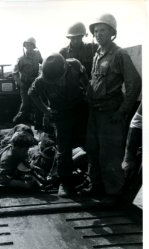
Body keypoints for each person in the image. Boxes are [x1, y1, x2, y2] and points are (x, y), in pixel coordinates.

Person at [83, 13, 141, 197]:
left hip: (110, 113)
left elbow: (134, 84)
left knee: (110, 154)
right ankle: (96, 187)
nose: (98, 34)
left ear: (112, 33)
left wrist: (122, 111)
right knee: (93, 150)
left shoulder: (119, 54)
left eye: (103, 30)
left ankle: (113, 193)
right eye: (96, 31)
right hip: (95, 112)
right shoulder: (97, 54)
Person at [27, 53, 91, 197]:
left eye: (59, 80)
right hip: (60, 113)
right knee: (63, 149)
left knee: (89, 142)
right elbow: (32, 94)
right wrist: (46, 110)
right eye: (53, 82)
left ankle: (94, 179)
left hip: (80, 109)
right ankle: (65, 182)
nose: (57, 84)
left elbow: (87, 84)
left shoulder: (74, 65)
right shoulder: (41, 80)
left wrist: (91, 99)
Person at [12, 37, 43, 126]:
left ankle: (38, 125)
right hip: (25, 84)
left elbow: (43, 62)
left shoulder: (37, 54)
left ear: (33, 46)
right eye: (27, 45)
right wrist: (20, 84)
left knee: (38, 104)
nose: (29, 47)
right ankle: (16, 123)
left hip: (35, 83)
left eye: (31, 45)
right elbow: (15, 72)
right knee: (25, 104)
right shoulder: (21, 59)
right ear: (24, 46)